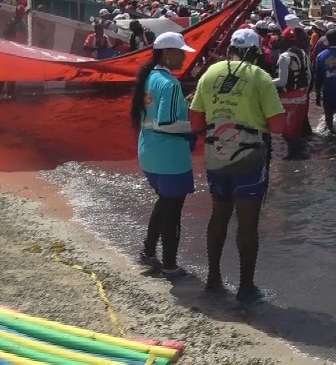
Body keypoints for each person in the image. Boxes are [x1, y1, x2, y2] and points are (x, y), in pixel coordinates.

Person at [188, 29, 286, 304]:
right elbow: (278, 127)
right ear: (255, 52)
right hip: (250, 159)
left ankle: (213, 280)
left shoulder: (209, 74)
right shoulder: (260, 77)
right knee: (247, 223)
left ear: (230, 49)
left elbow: (196, 122)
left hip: (216, 155)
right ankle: (245, 289)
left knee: (218, 216)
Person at [132, 32, 197, 279]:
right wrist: (196, 126)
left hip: (148, 151)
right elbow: (168, 122)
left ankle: (148, 250)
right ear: (168, 53)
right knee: (173, 211)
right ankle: (170, 265)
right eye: (181, 53)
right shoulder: (170, 83)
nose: (184, 58)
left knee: (164, 202)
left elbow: (151, 116)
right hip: (169, 156)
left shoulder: (149, 77)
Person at [273, 26, 311, 160]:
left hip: (288, 97)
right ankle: (299, 154)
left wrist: (266, 81)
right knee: (297, 128)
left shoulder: (284, 57)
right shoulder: (303, 53)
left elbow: (282, 81)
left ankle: (292, 158)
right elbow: (308, 77)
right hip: (302, 96)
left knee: (287, 131)